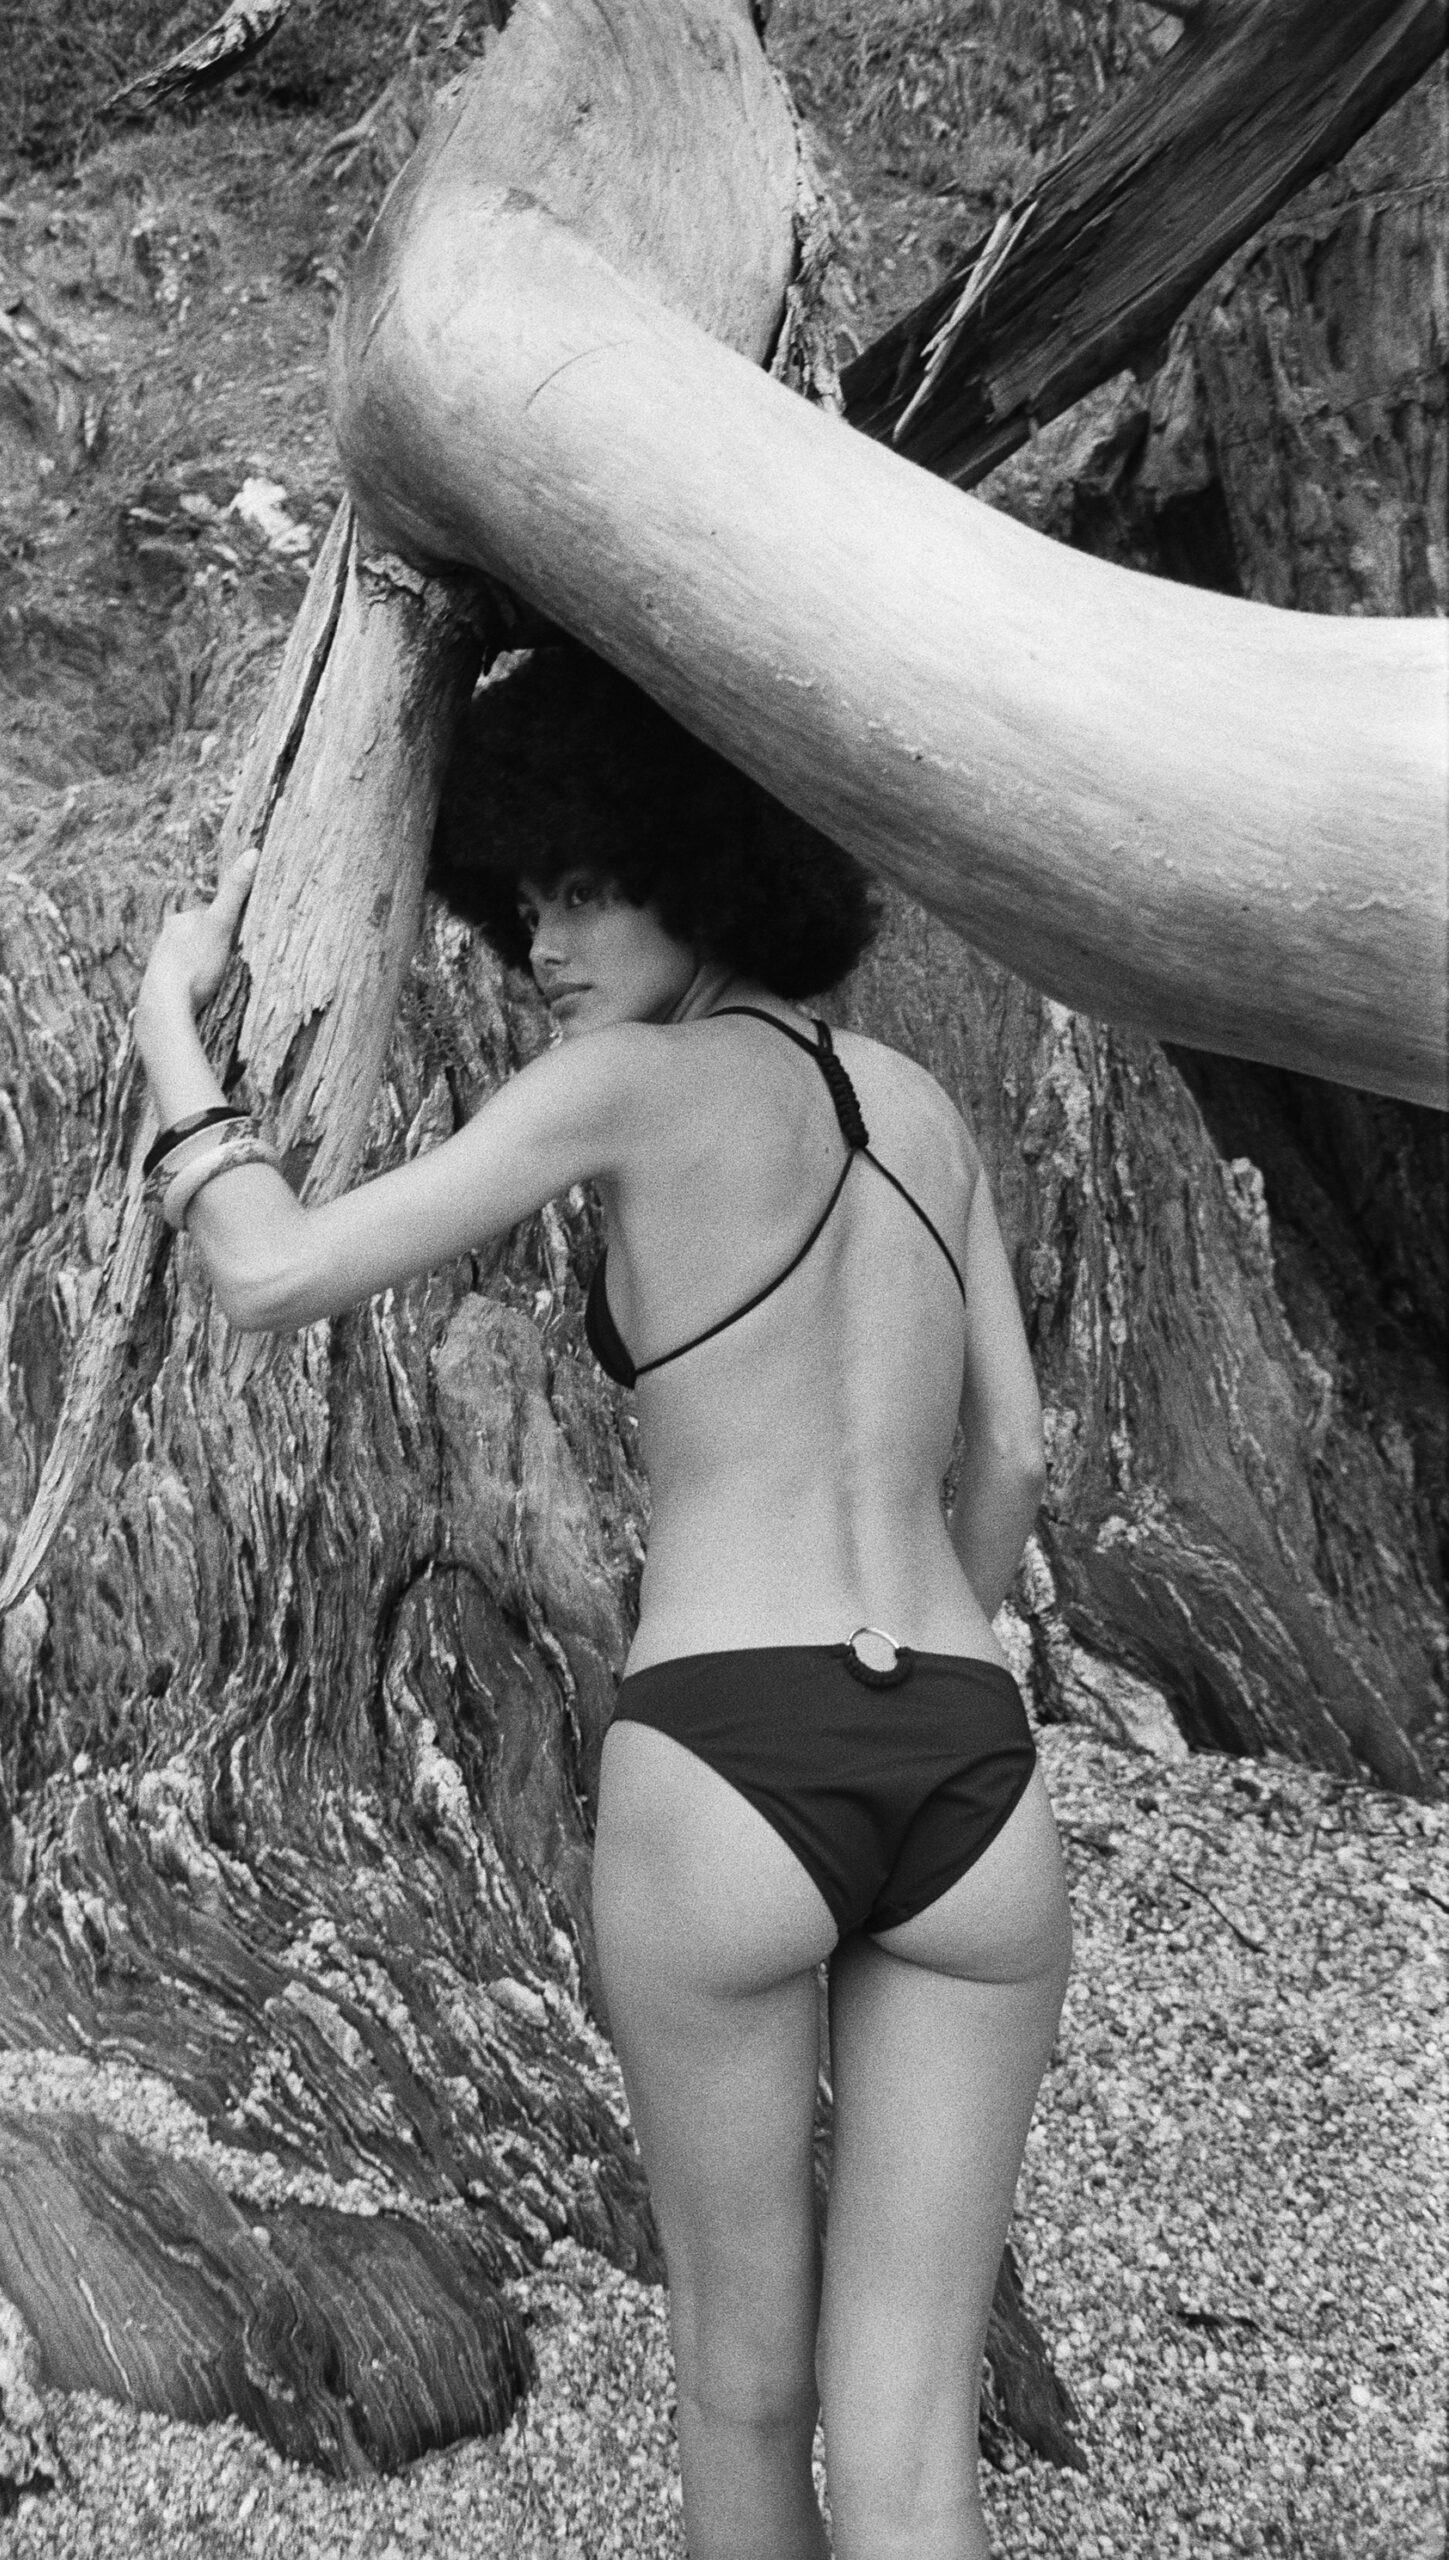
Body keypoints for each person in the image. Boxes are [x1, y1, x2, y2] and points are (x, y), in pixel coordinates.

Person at [134, 653, 1072, 2560]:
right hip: (968, 1768)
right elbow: (1016, 1460)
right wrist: (924, 1659)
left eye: (587, 890)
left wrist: (168, 1026)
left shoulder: (625, 1088)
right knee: (913, 2445)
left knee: (742, 2390)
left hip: (729, 1759)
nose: (545, 946)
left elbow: (271, 1270)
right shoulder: (923, 1111)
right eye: (525, 902)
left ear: (701, 866)